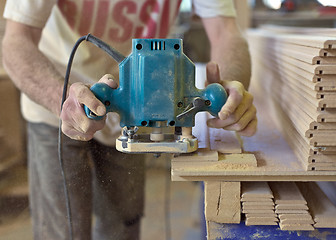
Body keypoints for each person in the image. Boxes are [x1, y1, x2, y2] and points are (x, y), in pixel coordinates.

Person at [2, 0, 257, 239]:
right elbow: (16, 40)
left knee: (123, 226)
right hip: (58, 99)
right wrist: (61, 99)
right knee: (62, 229)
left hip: (135, 118)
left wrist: (230, 89)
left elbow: (226, 32)